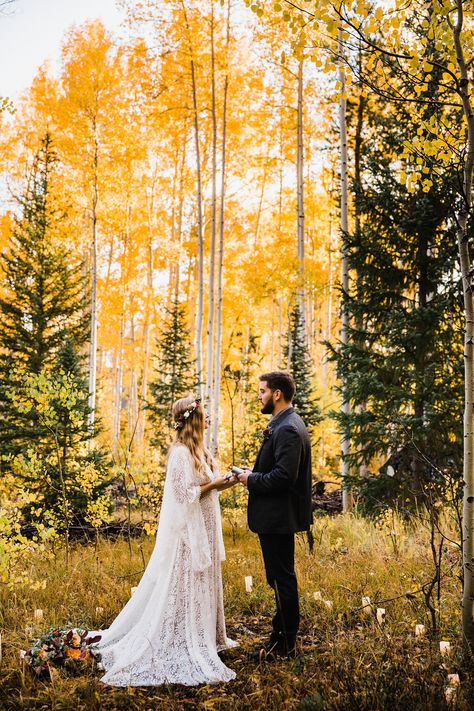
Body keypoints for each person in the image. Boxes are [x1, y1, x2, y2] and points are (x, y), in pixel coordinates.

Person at [91, 395, 239, 686]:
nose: (207, 419)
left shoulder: (199, 451)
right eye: (204, 415)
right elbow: (183, 495)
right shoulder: (181, 454)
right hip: (189, 532)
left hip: (205, 527)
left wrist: (225, 481)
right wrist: (214, 485)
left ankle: (209, 634)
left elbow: (203, 487)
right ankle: (184, 635)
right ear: (192, 420)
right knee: (187, 582)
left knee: (205, 580)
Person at [236, 371, 312, 659]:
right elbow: (278, 469)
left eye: (263, 391)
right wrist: (253, 472)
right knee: (279, 577)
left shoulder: (288, 428)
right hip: (277, 518)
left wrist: (250, 480)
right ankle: (280, 635)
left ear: (277, 394)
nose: (260, 396)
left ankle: (285, 643)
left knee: (282, 579)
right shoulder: (283, 424)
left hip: (279, 518)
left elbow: (283, 478)